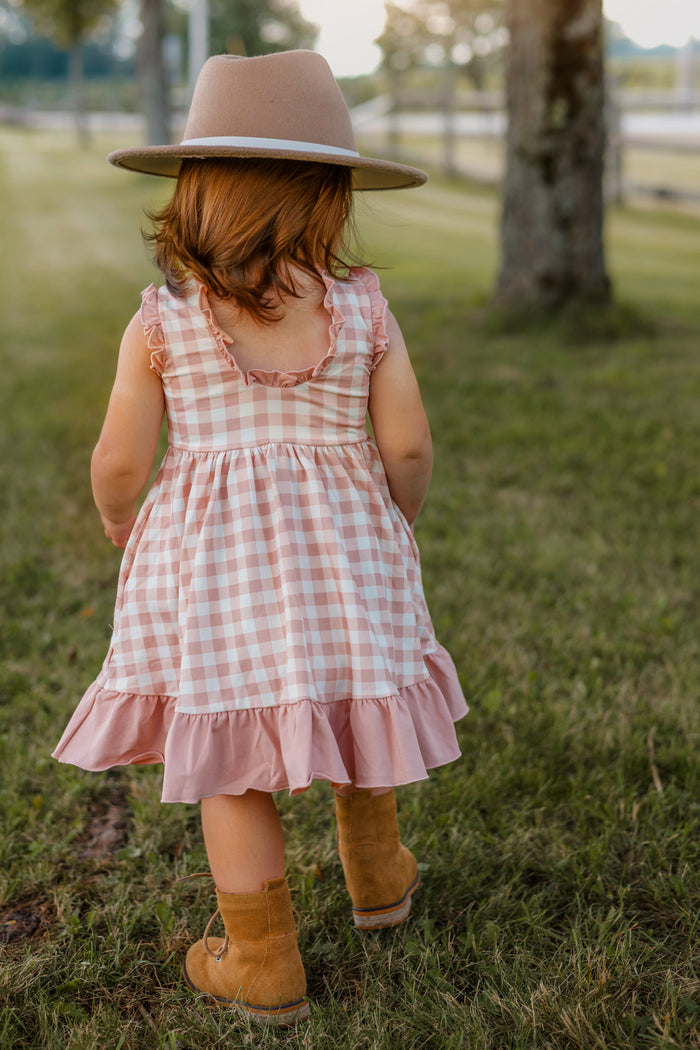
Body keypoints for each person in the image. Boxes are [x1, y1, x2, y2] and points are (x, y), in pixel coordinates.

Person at [53, 50, 468, 1026]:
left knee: (232, 762)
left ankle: (261, 959)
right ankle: (379, 881)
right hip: (349, 557)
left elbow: (120, 460)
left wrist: (120, 517)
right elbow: (406, 444)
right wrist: (387, 522)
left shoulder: (160, 322)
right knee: (355, 704)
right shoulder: (362, 305)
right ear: (329, 197)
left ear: (195, 193)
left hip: (211, 572)